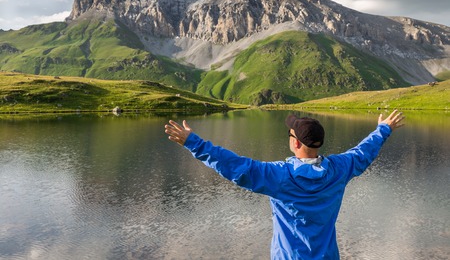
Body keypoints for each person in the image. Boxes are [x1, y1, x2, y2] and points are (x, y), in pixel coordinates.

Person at [164, 109, 405, 259]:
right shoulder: (339, 170)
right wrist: (383, 129)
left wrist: (193, 143)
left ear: (296, 144)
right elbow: (363, 153)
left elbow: (236, 167)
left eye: (290, 134)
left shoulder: (279, 176)